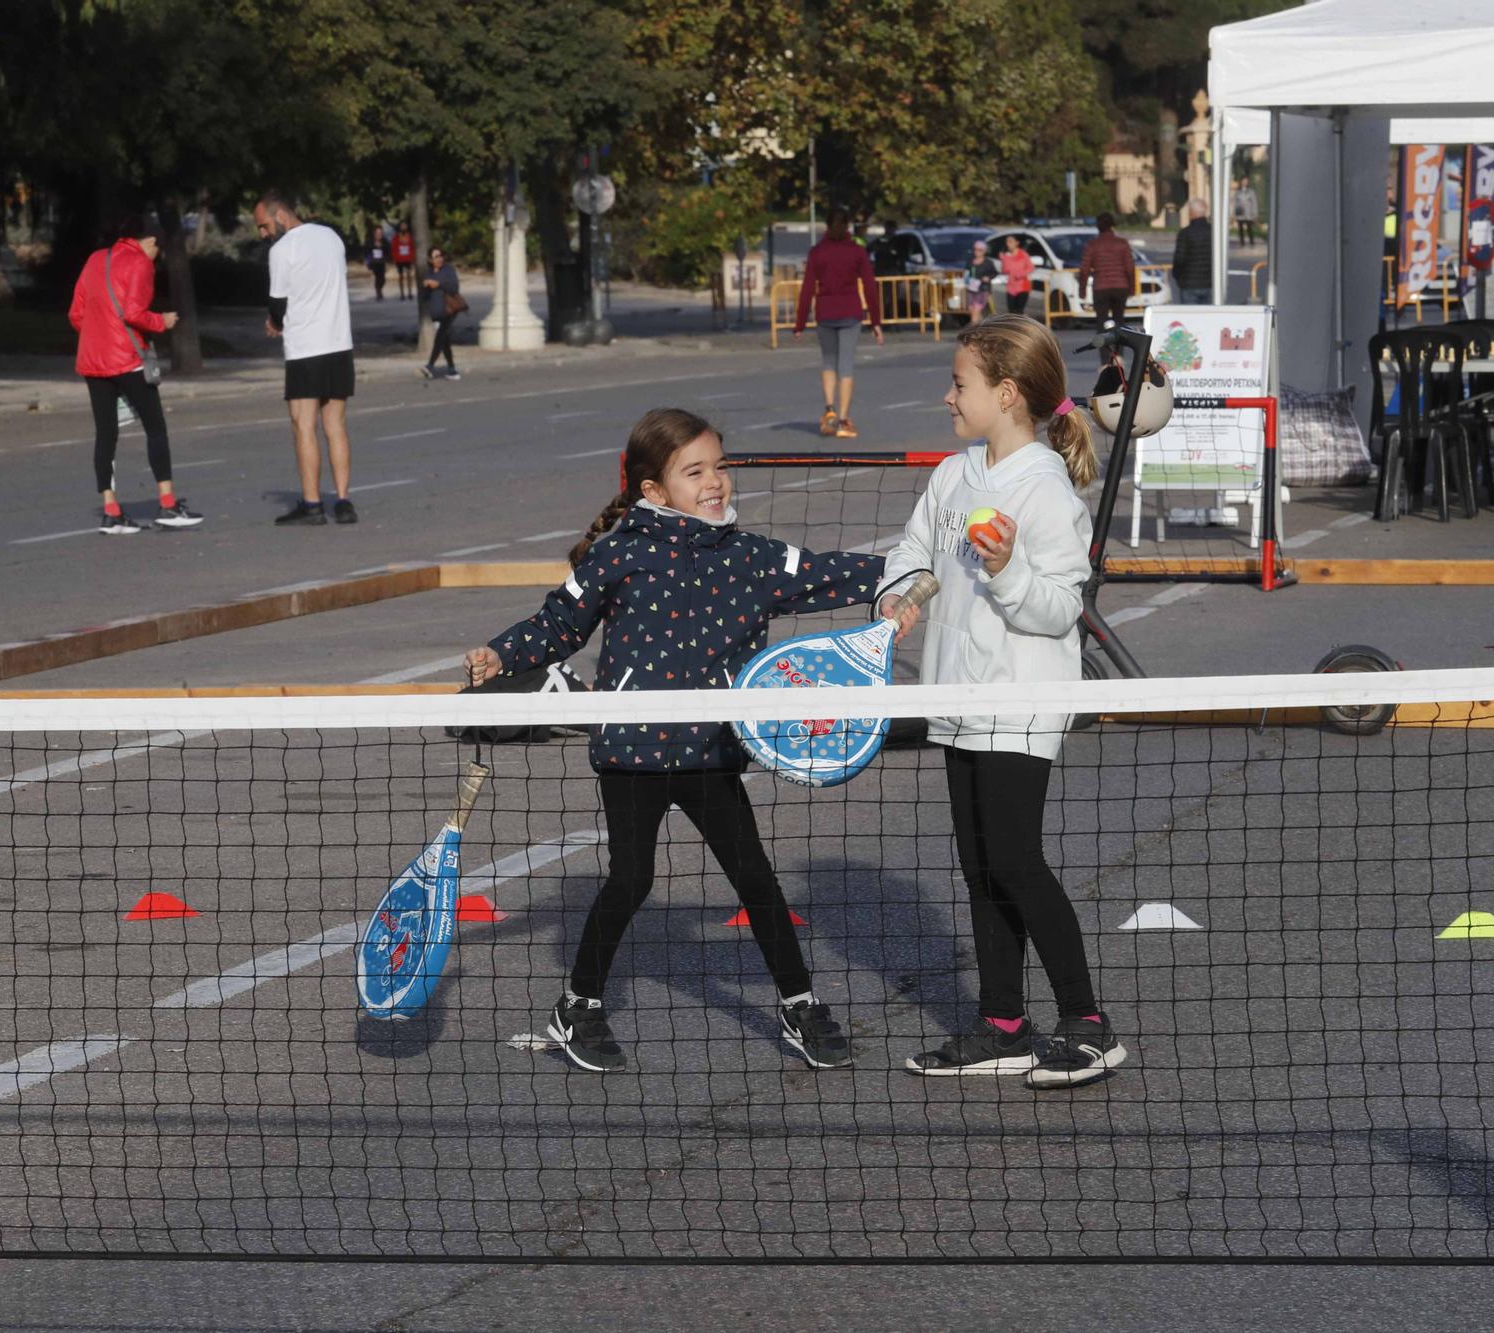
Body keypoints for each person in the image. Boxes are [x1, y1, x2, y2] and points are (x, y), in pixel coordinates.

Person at [464, 408, 883, 1074]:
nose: (715, 481)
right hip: (633, 752)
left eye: (719, 466)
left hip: (713, 752)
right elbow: (557, 624)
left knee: (756, 879)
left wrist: (898, 581)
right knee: (631, 879)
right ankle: (578, 1006)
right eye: (695, 471)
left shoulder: (751, 557)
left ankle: (800, 1005)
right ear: (654, 489)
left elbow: (830, 573)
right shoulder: (618, 553)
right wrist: (500, 652)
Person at [880, 315, 1125, 1090]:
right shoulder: (954, 477)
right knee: (979, 866)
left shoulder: (1046, 491)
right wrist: (900, 596)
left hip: (1020, 700)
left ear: (1008, 393)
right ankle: (1002, 1025)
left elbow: (1057, 609)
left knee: (1017, 862)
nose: (948, 395)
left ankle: (1087, 1022)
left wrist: (1010, 567)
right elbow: (913, 553)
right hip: (955, 696)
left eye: (960, 383)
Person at [66, 218, 202, 535]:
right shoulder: (140, 263)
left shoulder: (96, 258)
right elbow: (133, 313)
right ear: (152, 242)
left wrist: (97, 335)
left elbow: (76, 313)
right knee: (155, 427)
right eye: (160, 251)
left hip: (92, 360)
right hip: (127, 360)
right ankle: (168, 504)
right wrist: (162, 321)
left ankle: (111, 511)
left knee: (106, 433)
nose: (158, 257)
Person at [253, 192, 356, 526]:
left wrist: (275, 324)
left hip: (305, 351)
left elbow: (278, 304)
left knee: (303, 425)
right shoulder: (330, 236)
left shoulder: (283, 250)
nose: (263, 234)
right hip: (339, 344)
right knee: (335, 426)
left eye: (264, 226)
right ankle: (343, 501)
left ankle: (312, 505)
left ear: (280, 215)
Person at [792, 208, 884, 437]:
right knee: (846, 366)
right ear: (847, 227)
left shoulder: (817, 252)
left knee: (828, 363)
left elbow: (807, 288)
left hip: (825, 313)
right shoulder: (856, 251)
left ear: (827, 226)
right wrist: (876, 321)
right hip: (850, 313)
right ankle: (843, 420)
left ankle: (829, 411)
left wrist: (800, 322)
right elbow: (870, 287)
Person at [1077, 213, 1136, 325]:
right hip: (1120, 287)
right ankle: (1118, 341)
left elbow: (1085, 269)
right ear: (1112, 226)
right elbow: (1130, 268)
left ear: (1098, 227)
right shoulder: (1122, 243)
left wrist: (1082, 290)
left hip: (1101, 287)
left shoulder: (1093, 245)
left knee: (1101, 321)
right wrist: (1132, 288)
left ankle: (1103, 341)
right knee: (1119, 321)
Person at [420, 246, 462, 381]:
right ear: (430, 260)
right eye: (435, 257)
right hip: (436, 312)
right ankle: (452, 369)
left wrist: (438, 284)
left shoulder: (448, 270)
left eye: (440, 256)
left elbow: (454, 287)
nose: (439, 259)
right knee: (444, 341)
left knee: (440, 337)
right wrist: (426, 286)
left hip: (449, 310)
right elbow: (425, 297)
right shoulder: (429, 272)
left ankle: (430, 365)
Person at [1169, 198, 1213, 305]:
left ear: (1191, 213)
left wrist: (1177, 276)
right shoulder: (1213, 232)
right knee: (1208, 317)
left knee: (1190, 318)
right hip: (1209, 283)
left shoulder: (1185, 233)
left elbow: (1179, 259)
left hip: (1189, 284)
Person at [999, 234, 1036, 318]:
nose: (1008, 244)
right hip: (1011, 287)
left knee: (1019, 311)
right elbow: (1004, 271)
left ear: (1017, 243)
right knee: (1011, 312)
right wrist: (1003, 260)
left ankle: (1020, 328)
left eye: (1010, 241)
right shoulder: (1006, 256)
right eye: (1007, 242)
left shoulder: (1023, 254)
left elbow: (1031, 267)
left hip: (1023, 287)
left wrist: (1021, 274)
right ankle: (1014, 329)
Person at [962, 239, 997, 326]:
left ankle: (973, 331)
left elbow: (994, 273)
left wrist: (988, 278)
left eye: (980, 250)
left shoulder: (988, 262)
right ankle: (982, 326)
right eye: (975, 249)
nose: (977, 252)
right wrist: (966, 278)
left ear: (984, 251)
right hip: (971, 288)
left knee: (976, 310)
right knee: (971, 309)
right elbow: (966, 272)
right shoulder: (970, 261)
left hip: (983, 289)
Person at [390, 221, 415, 301]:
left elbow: (412, 247)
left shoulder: (410, 236)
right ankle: (402, 293)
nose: (404, 227)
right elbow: (393, 248)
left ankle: (410, 293)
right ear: (399, 227)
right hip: (399, 259)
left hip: (408, 259)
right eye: (402, 226)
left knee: (409, 275)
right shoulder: (396, 236)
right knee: (401, 276)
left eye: (405, 225)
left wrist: (412, 257)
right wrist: (394, 258)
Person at [1231, 176, 1259, 247]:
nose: (1245, 182)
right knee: (1240, 229)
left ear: (1248, 182)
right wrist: (1233, 214)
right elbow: (1235, 203)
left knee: (1249, 228)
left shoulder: (1251, 191)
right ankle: (1242, 243)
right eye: (1243, 180)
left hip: (1249, 213)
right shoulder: (1238, 192)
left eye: (1246, 181)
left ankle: (1252, 243)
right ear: (1241, 182)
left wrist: (1255, 213)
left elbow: (1254, 203)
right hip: (1240, 212)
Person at [365, 223, 388, 301]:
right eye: (377, 233)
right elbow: (367, 251)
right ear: (374, 233)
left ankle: (379, 289)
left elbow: (388, 250)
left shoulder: (384, 241)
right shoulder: (370, 241)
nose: (379, 234)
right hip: (374, 262)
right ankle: (378, 292)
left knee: (383, 279)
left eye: (380, 233)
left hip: (381, 262)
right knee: (378, 277)